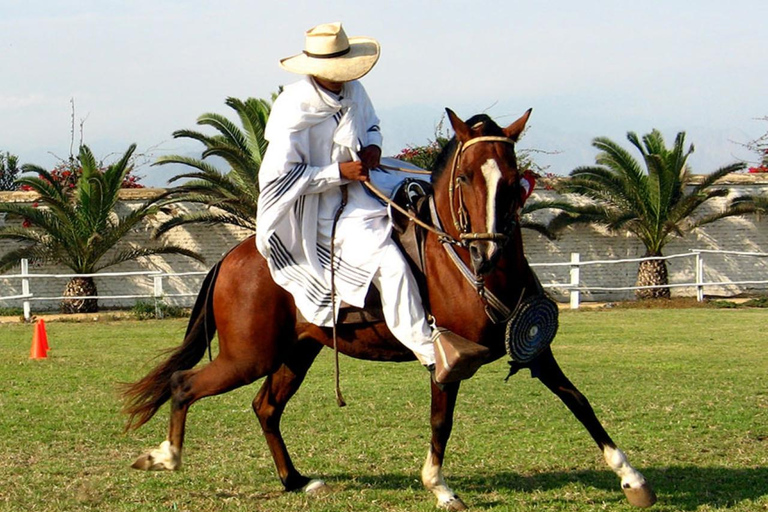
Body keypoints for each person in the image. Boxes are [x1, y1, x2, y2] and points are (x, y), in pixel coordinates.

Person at [256, 22, 451, 379]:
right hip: (322, 207)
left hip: (365, 182)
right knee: (389, 263)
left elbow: (371, 124)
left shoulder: (354, 89)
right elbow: (278, 178)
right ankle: (428, 350)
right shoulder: (292, 110)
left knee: (425, 201)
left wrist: (374, 145)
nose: (344, 76)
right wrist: (337, 173)